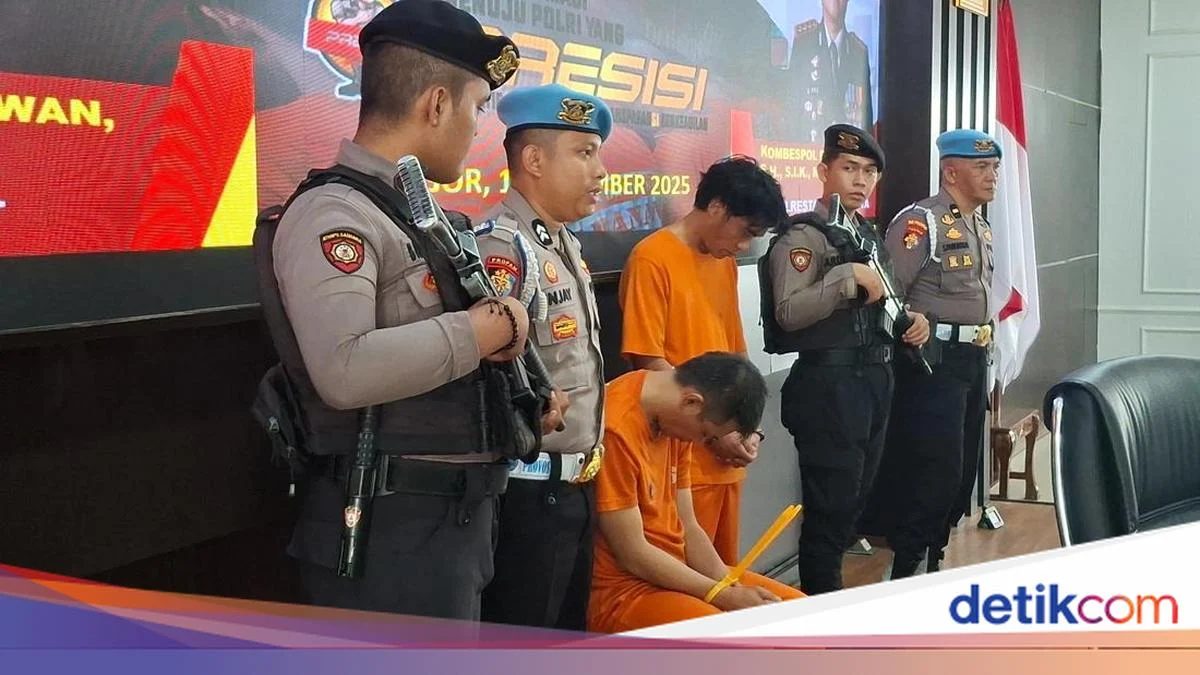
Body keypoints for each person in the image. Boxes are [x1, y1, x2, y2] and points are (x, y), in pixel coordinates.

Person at [257, 0, 554, 621]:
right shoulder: (335, 212)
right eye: (477, 107)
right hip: (388, 535)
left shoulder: (422, 219)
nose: (478, 128)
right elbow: (344, 369)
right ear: (437, 104)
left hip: (451, 527)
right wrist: (481, 330)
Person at [761, 124, 930, 595]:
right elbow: (789, 311)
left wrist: (914, 320)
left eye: (870, 172)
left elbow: (887, 301)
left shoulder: (865, 233)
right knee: (830, 513)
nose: (860, 180)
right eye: (849, 168)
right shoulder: (804, 236)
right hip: (829, 385)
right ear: (823, 171)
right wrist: (846, 277)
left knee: (852, 507)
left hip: (874, 378)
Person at [475, 83, 612, 631]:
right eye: (584, 153)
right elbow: (487, 376)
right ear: (533, 160)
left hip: (576, 486)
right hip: (529, 495)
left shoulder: (562, 243)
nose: (600, 171)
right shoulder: (503, 247)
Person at [618, 156, 789, 565]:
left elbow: (737, 355)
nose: (744, 247)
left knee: (723, 576)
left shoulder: (722, 263)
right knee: (687, 580)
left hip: (726, 455)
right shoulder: (652, 258)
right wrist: (716, 429)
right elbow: (648, 362)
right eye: (746, 232)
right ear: (716, 207)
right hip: (682, 458)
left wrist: (748, 427)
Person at [588, 352, 806, 633]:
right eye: (706, 435)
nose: (701, 443)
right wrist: (720, 595)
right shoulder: (616, 429)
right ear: (692, 402)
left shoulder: (673, 418)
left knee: (804, 617)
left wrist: (728, 586)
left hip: (680, 574)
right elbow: (633, 554)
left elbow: (689, 526)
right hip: (625, 593)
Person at [868, 128, 1000, 579]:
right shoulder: (920, 222)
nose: (992, 176)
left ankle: (935, 555)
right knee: (933, 470)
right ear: (951, 172)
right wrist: (912, 323)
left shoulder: (979, 225)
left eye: (994, 167)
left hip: (973, 359)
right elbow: (886, 294)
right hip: (932, 362)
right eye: (981, 167)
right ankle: (907, 566)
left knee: (960, 473)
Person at [789, 0, 874, 143]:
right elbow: (792, 106)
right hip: (808, 146)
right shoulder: (804, 43)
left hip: (845, 148)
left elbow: (866, 117)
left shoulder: (858, 52)